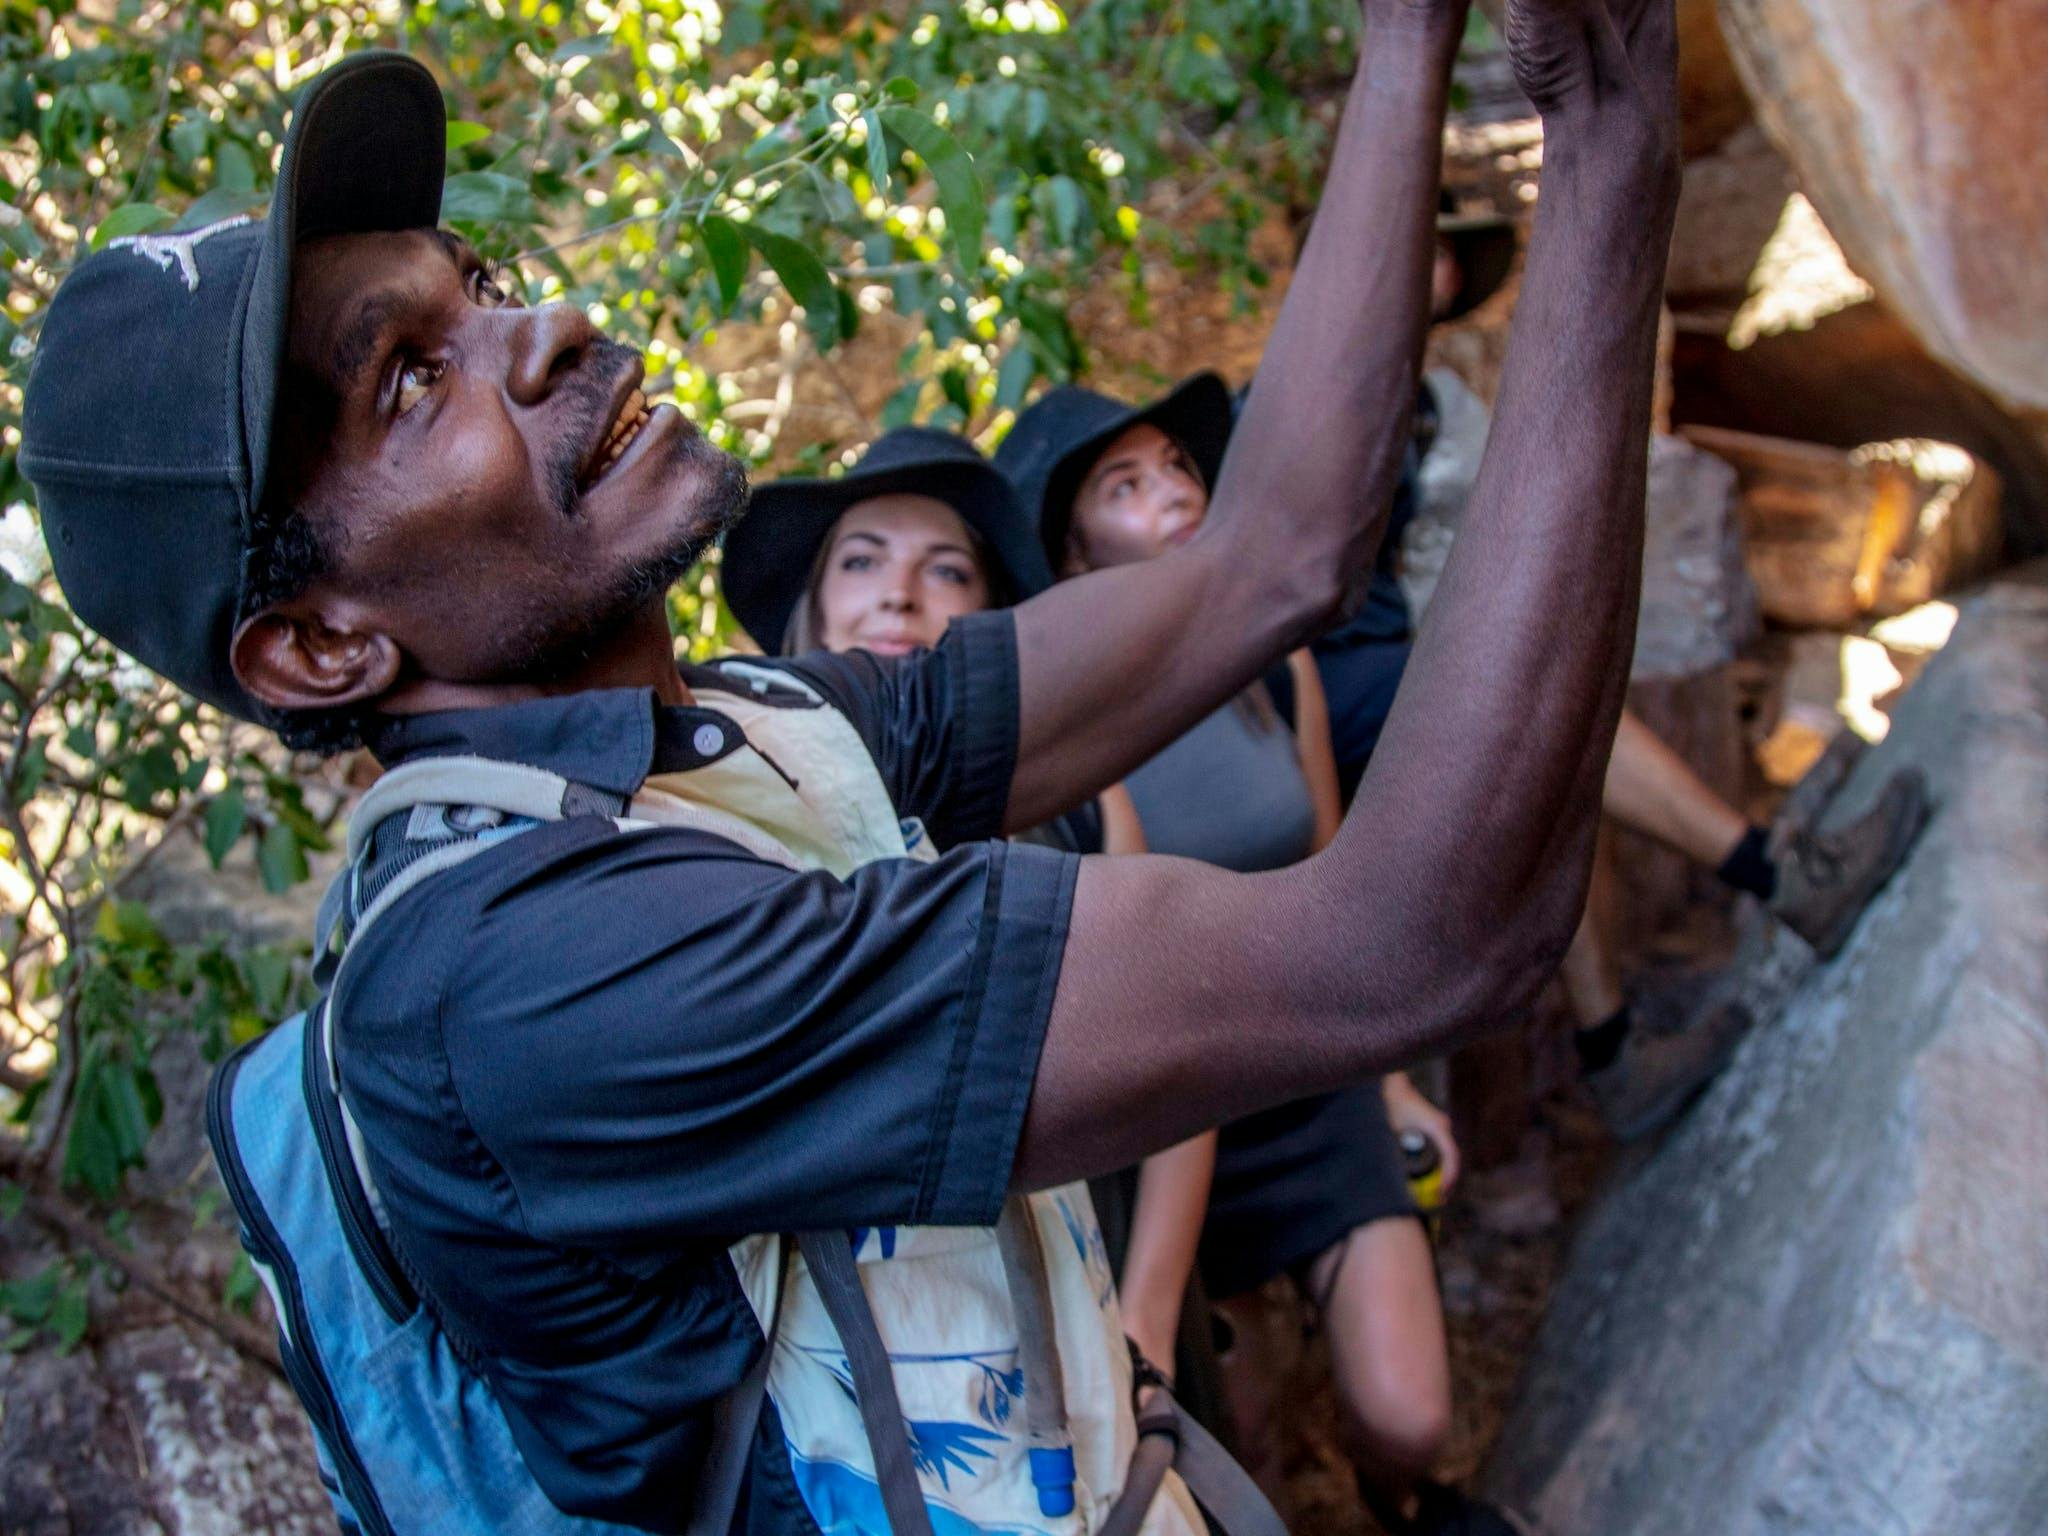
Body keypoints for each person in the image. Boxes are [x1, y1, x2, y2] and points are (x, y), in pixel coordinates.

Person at [20, 2, 1689, 1531]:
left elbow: (1273, 554)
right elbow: (1415, 936)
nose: (547, 327)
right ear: (318, 651)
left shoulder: (736, 734)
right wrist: (1611, 139)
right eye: (409, 379)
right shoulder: (526, 981)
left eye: (481, 283)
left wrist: (1409, 30)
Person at [1286, 196, 1932, 1139]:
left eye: (1443, 258)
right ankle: (1780, 876)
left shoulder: (1432, 398)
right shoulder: (1310, 396)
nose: (1436, 274)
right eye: (1412, 247)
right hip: (1356, 687)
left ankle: (1616, 1049)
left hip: (1438, 669)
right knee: (1533, 714)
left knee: (1539, 736)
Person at [997, 379, 1506, 1536]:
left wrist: (1387, 1081)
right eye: (1125, 487)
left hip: (1307, 1072)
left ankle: (1408, 1498)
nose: (1173, 492)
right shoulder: (1065, 736)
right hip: (1173, 1111)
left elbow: (1339, 892)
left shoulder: (1277, 672)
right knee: (1235, 1439)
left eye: (1176, 465)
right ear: (1072, 557)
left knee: (1410, 1416)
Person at [720, 424, 1227, 1433]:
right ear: (812, 603)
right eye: (861, 559)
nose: (898, 592)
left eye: (944, 568)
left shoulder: (1084, 807)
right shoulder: (740, 842)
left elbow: (1190, 1056)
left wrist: (1150, 1312)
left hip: (1115, 1269)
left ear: (997, 618)